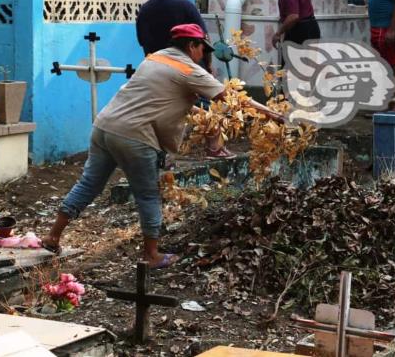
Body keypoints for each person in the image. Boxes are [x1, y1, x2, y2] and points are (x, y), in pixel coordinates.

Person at [41, 24, 283, 268]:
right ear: (192, 46)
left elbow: (165, 99)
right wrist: (274, 116)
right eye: (202, 49)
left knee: (89, 183)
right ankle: (152, 255)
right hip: (134, 136)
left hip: (105, 127)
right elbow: (234, 98)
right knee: (148, 194)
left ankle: (53, 236)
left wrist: (206, 118)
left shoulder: (155, 58)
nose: (203, 55)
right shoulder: (189, 69)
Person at [136, 0, 208, 57]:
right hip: (182, 64)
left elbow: (142, 40)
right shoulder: (185, 6)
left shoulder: (144, 9)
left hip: (154, 62)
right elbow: (203, 36)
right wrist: (208, 64)